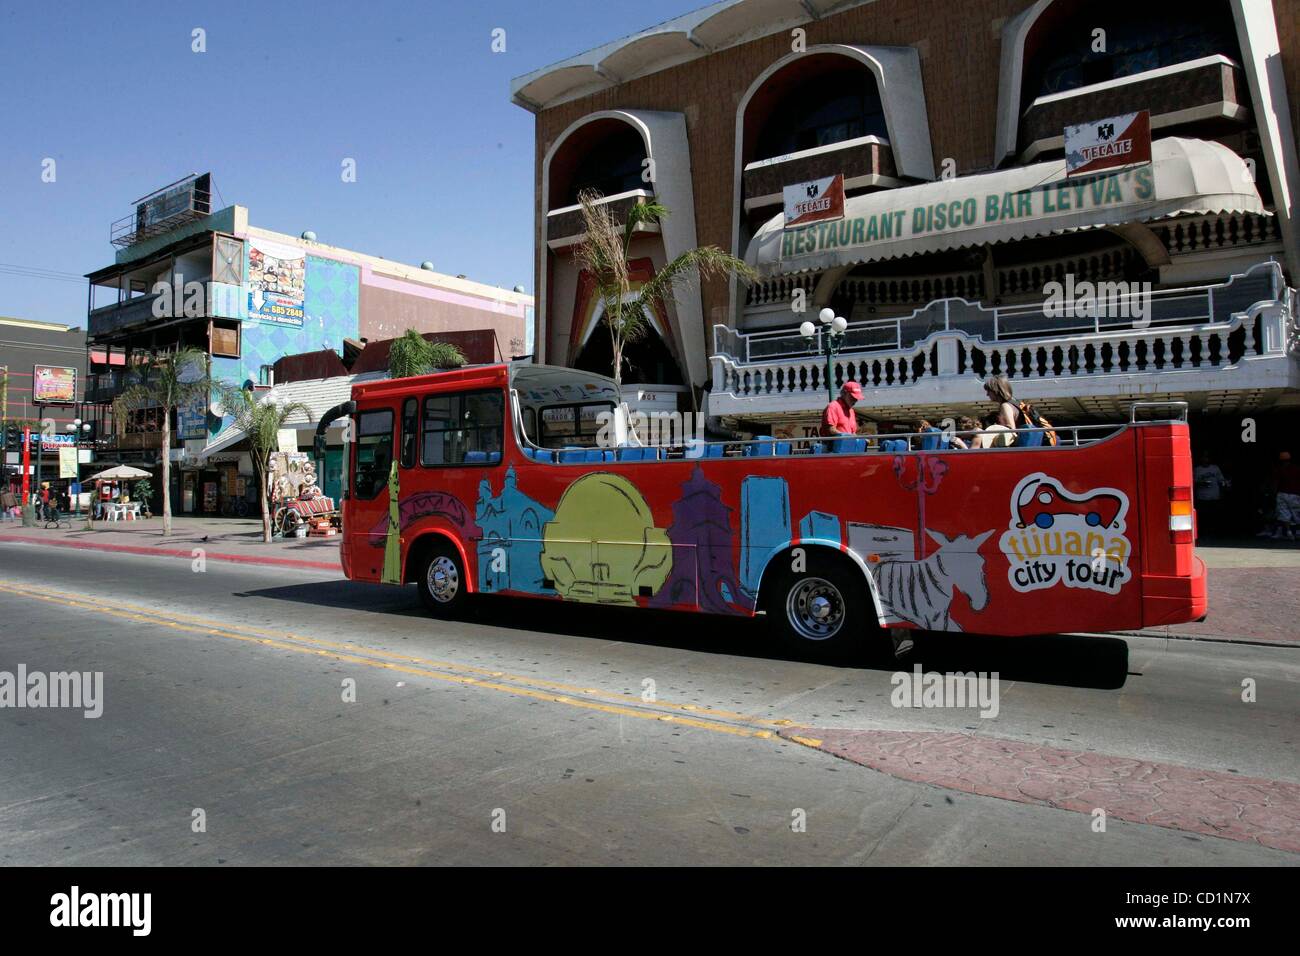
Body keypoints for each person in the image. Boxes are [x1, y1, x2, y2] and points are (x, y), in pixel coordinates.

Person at [1193, 452, 1229, 538]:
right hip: (1202, 496)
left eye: (1207, 458)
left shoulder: (1215, 468)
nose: (1205, 459)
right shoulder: (1197, 469)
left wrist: (1226, 484)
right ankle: (1203, 532)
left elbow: (1221, 480)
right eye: (1204, 458)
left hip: (1214, 496)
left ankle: (1215, 533)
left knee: (1214, 515)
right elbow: (1193, 482)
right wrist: (1201, 483)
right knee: (1203, 515)